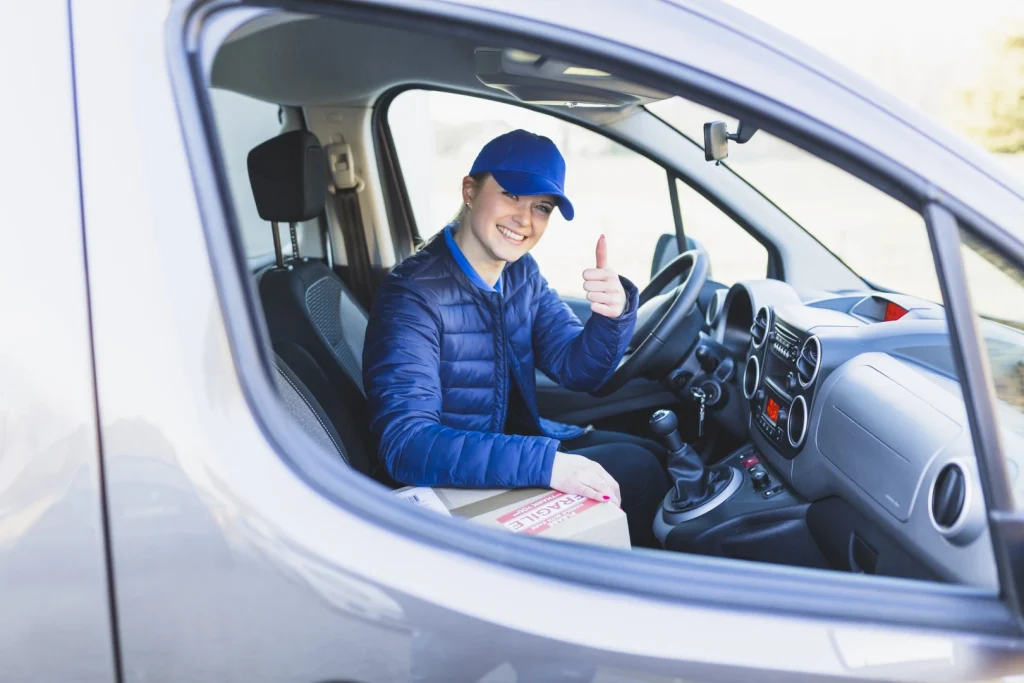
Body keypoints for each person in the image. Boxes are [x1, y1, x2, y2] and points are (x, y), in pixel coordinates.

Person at [363, 129, 671, 547]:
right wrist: (546, 465)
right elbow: (407, 445)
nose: (525, 220)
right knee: (640, 470)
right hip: (452, 480)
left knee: (654, 452)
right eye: (511, 195)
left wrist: (612, 317)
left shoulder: (521, 273)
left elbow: (576, 369)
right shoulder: (413, 295)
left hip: (512, 446)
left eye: (541, 207)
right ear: (470, 191)